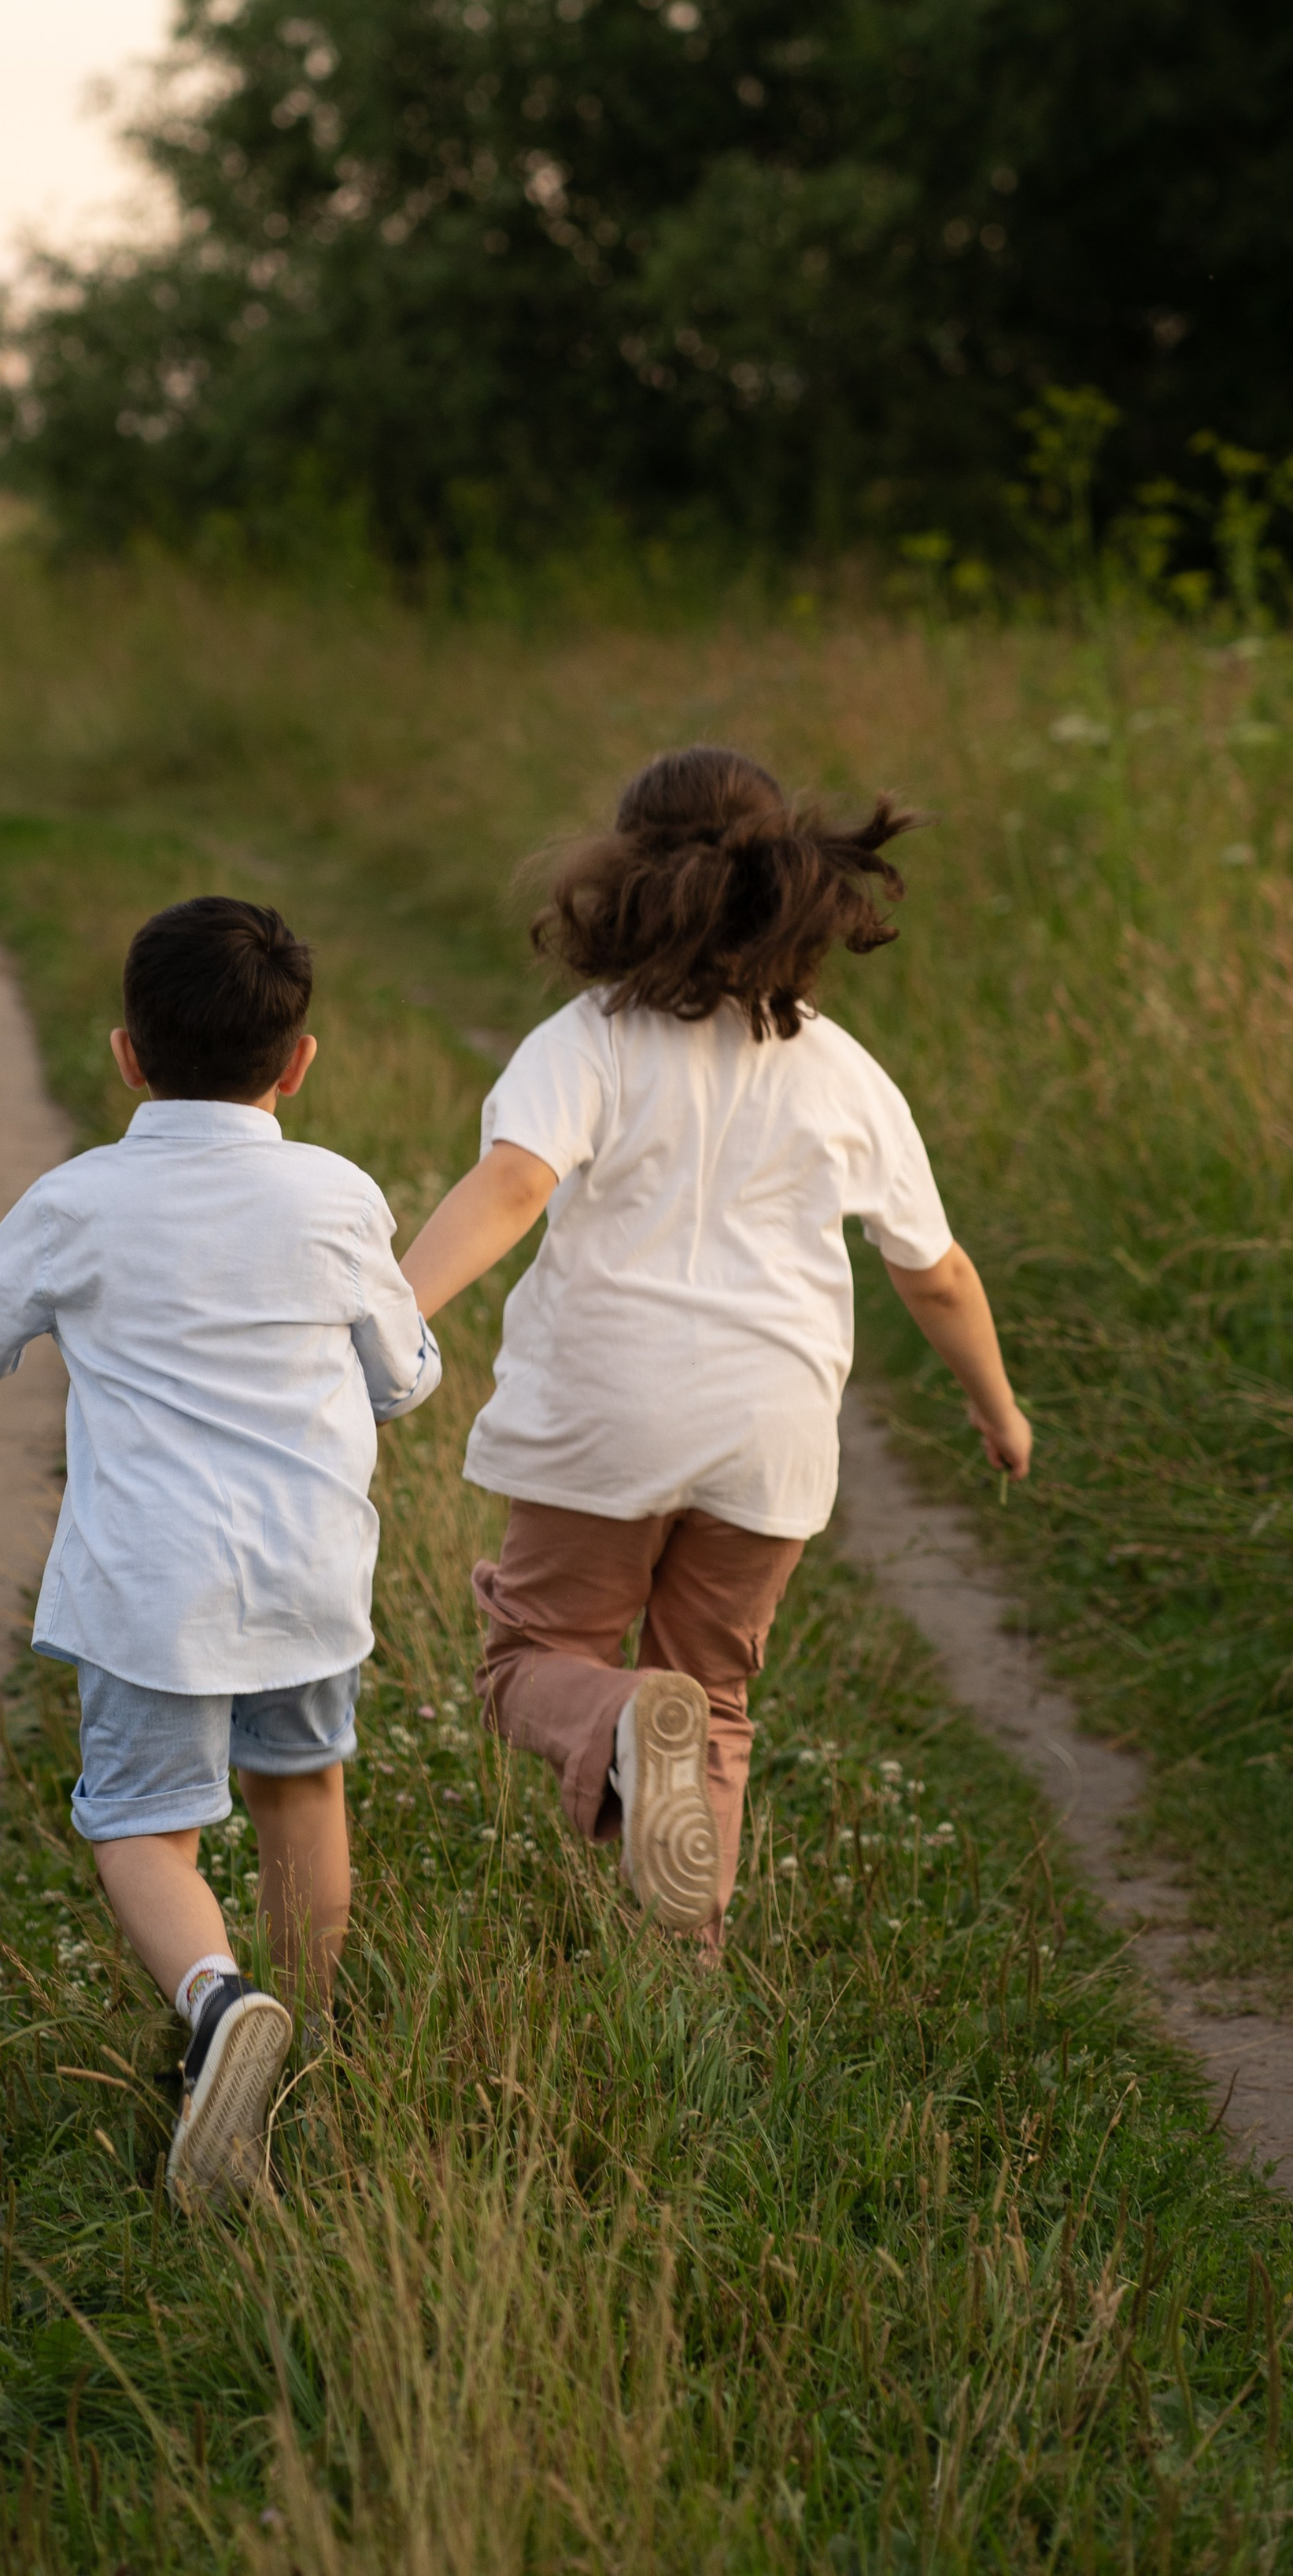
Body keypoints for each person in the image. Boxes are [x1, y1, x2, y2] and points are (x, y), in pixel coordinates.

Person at [0, 897, 439, 2205]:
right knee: (303, 1790)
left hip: (150, 1587)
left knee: (142, 1828)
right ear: (298, 1063)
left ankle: (218, 2006)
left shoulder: (80, 1200)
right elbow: (402, 1379)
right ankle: (304, 2045)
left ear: (126, 1055)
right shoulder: (339, 1195)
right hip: (309, 1572)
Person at [399, 746, 1029, 1951]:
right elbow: (936, 1273)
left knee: (534, 1661)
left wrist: (389, 1313)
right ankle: (685, 1972)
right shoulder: (843, 1073)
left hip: (606, 1415)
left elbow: (515, 1186)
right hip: (771, 1435)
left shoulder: (590, 1041)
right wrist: (999, 1411)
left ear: (620, 884)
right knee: (717, 1699)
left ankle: (627, 1723)